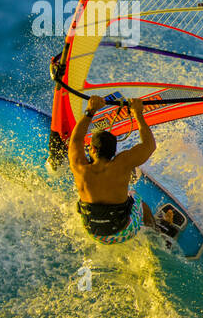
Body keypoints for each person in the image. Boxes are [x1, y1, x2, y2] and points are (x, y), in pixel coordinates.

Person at [68, 95, 173, 243]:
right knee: (136, 198)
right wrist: (138, 113)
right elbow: (150, 145)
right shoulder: (122, 163)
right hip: (123, 232)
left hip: (94, 233)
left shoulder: (79, 167)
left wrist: (90, 111)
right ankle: (158, 231)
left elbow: (76, 140)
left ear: (92, 148)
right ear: (113, 151)